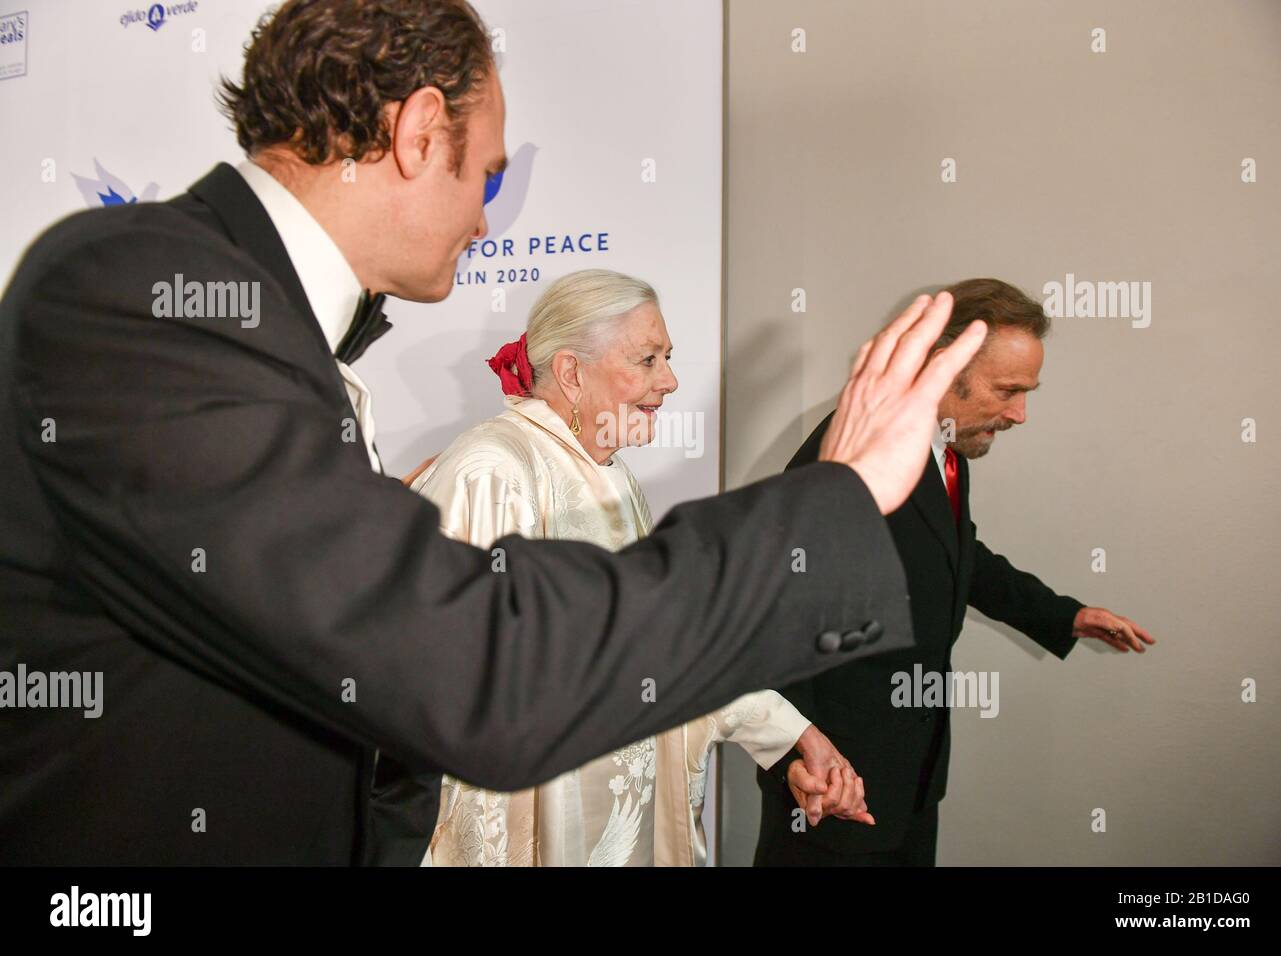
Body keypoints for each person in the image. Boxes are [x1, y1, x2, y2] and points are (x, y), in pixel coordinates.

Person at [0, 0, 986, 864]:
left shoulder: (265, 332)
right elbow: (474, 663)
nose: (486, 219)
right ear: (421, 130)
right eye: (487, 174)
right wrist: (833, 503)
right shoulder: (141, 292)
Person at [413, 270, 872, 866]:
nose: (671, 380)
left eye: (668, 357)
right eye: (648, 359)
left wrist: (792, 737)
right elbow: (448, 685)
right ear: (574, 373)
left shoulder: (614, 476)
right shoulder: (492, 471)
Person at [755, 278, 1156, 867]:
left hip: (909, 782)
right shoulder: (855, 450)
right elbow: (772, 604)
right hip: (832, 795)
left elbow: (960, 555)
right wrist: (796, 751)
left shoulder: (945, 446)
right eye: (1007, 390)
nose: (1020, 414)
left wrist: (1065, 615)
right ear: (946, 366)